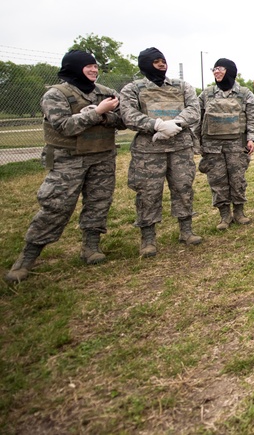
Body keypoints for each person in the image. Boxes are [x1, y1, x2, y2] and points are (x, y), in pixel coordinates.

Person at [5, 51, 125, 283]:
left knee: (99, 203)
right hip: (68, 159)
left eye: (95, 66)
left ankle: (91, 247)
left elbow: (123, 120)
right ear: (74, 68)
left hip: (102, 156)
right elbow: (64, 127)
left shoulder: (106, 93)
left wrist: (102, 117)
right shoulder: (55, 95)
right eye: (88, 66)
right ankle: (27, 258)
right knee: (56, 206)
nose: (93, 70)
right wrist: (98, 112)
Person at [119, 47, 202, 256]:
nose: (162, 64)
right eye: (156, 61)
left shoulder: (181, 86)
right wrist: (156, 125)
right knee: (148, 193)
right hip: (149, 151)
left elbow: (194, 109)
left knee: (183, 188)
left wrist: (176, 123)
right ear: (146, 64)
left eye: (163, 61)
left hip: (180, 147)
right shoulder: (133, 89)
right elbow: (128, 115)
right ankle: (148, 240)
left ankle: (186, 231)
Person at [198, 58, 254, 230]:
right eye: (214, 69)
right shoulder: (207, 94)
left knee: (237, 179)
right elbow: (198, 119)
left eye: (220, 68)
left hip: (236, 145)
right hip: (212, 146)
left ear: (230, 71)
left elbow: (253, 117)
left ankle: (239, 212)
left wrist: (251, 138)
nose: (216, 72)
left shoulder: (244, 94)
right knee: (217, 180)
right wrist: (198, 143)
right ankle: (224, 215)